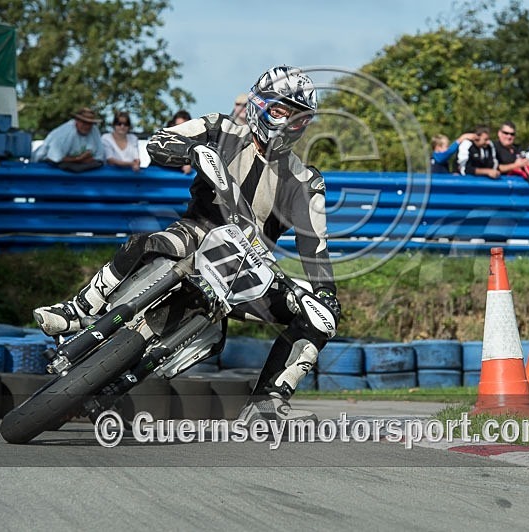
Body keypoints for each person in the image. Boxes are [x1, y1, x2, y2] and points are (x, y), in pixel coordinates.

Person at [32, 65, 338, 424]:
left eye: (297, 118)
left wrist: (325, 292)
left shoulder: (306, 179)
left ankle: (266, 402)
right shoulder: (221, 128)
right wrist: (192, 153)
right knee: (144, 243)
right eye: (279, 111)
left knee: (323, 318)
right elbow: (159, 141)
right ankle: (78, 309)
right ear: (259, 105)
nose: (287, 123)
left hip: (250, 268)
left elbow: (315, 245)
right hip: (197, 232)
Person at [31, 107, 104, 172]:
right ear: (76, 121)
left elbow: (99, 157)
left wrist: (84, 160)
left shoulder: (94, 131)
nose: (87, 126)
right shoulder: (65, 133)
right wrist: (78, 159)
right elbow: (53, 158)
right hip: (43, 166)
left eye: (89, 123)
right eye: (84, 122)